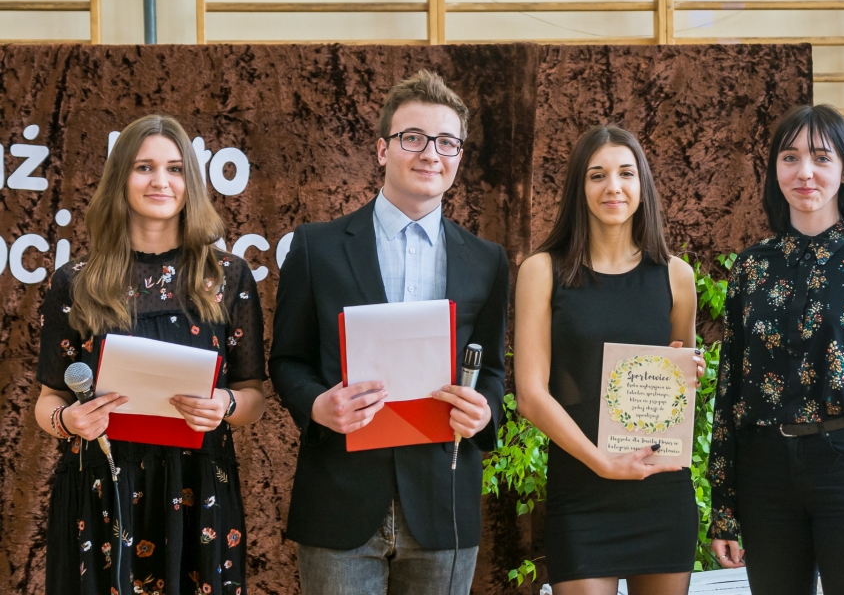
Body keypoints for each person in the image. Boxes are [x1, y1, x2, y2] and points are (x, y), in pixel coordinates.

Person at [270, 70, 509, 595]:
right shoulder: (315, 248)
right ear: (382, 149)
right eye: (413, 138)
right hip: (340, 496)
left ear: (458, 156)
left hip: (443, 503)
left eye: (446, 142)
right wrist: (317, 406)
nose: (430, 154)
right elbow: (286, 361)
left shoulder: (487, 261)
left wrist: (484, 410)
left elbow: (492, 368)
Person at [34, 114, 267, 595]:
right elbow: (48, 399)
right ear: (121, 178)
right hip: (100, 489)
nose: (161, 181)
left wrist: (224, 405)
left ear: (191, 182)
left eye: (175, 169)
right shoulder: (75, 281)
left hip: (199, 490)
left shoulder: (228, 276)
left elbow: (253, 398)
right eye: (144, 167)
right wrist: (68, 421)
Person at [708, 104, 844, 594]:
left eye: (821, 158)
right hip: (764, 472)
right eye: (790, 158)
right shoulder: (750, 268)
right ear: (775, 171)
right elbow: (730, 389)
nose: (804, 172)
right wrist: (725, 506)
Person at [513, 124, 705, 595]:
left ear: (643, 185)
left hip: (661, 492)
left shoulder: (677, 276)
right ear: (579, 188)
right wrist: (601, 462)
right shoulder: (543, 271)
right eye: (597, 175)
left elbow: (678, 381)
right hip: (582, 493)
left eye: (626, 173)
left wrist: (689, 374)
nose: (613, 187)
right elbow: (531, 396)